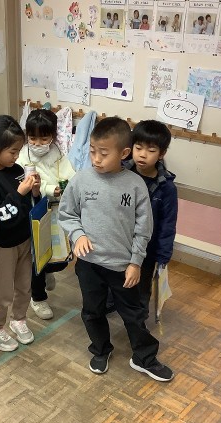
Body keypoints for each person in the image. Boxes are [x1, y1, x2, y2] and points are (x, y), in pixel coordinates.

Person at [58, 117, 173, 382]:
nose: (96, 159)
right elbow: (67, 213)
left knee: (134, 314)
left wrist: (135, 262)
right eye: (92, 152)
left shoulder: (135, 185)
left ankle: (144, 358)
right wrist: (77, 235)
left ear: (123, 153)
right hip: (89, 264)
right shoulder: (81, 180)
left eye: (103, 153)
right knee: (92, 311)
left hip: (122, 267)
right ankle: (101, 349)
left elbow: (144, 228)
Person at [0, 115, 41, 352]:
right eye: (13, 152)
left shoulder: (17, 170)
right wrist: (19, 194)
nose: (16, 157)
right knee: (2, 291)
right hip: (3, 245)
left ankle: (19, 319)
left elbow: (27, 206)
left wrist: (35, 192)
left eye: (18, 151)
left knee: (24, 285)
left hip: (24, 239)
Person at [17, 109, 76, 320]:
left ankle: (49, 270)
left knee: (59, 255)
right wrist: (49, 189)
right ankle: (38, 298)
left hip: (56, 211)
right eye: (33, 138)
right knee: (35, 257)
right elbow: (25, 183)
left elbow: (70, 176)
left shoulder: (58, 153)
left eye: (44, 138)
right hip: (34, 210)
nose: (38, 143)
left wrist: (66, 187)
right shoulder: (22, 156)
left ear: (52, 136)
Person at [129, 121, 177, 319]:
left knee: (141, 284)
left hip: (147, 249)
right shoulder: (121, 174)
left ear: (161, 153)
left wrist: (163, 255)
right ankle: (114, 303)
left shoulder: (166, 188)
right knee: (117, 279)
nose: (142, 154)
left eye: (150, 150)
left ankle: (139, 316)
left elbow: (168, 223)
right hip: (120, 242)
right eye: (138, 148)